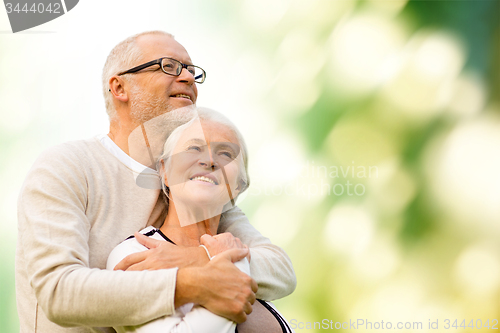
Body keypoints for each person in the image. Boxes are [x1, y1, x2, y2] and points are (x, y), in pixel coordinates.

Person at [16, 31, 296, 333]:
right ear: (119, 87)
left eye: (191, 70)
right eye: (169, 66)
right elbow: (59, 292)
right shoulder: (67, 166)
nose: (188, 77)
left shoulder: (192, 185)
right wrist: (192, 282)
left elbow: (279, 269)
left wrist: (196, 258)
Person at [107, 109, 293, 333]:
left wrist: (212, 257)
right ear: (165, 171)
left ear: (239, 186)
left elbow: (285, 275)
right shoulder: (135, 252)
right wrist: (231, 262)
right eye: (194, 148)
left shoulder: (240, 252)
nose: (209, 160)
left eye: (225, 153)